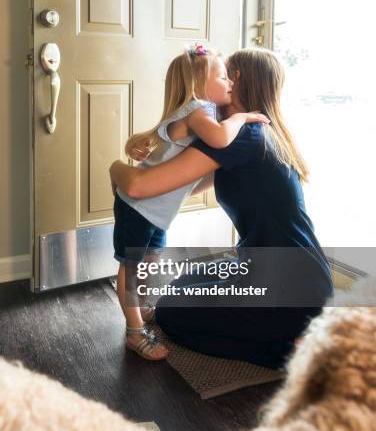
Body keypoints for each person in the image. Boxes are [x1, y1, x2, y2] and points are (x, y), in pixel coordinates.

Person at [110, 47, 334, 369]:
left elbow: (137, 187)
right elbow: (178, 185)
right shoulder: (245, 135)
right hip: (292, 275)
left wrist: (115, 168)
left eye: (225, 74)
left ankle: (290, 353)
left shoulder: (243, 136)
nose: (222, 81)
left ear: (238, 79)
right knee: (183, 285)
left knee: (171, 314)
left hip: (289, 289)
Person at [113, 44, 269, 361]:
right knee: (130, 267)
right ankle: (133, 330)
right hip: (138, 207)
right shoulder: (197, 112)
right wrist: (242, 117)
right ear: (199, 84)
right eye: (223, 77)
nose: (230, 83)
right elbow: (220, 140)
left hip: (156, 213)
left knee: (151, 260)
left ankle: (140, 309)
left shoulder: (199, 114)